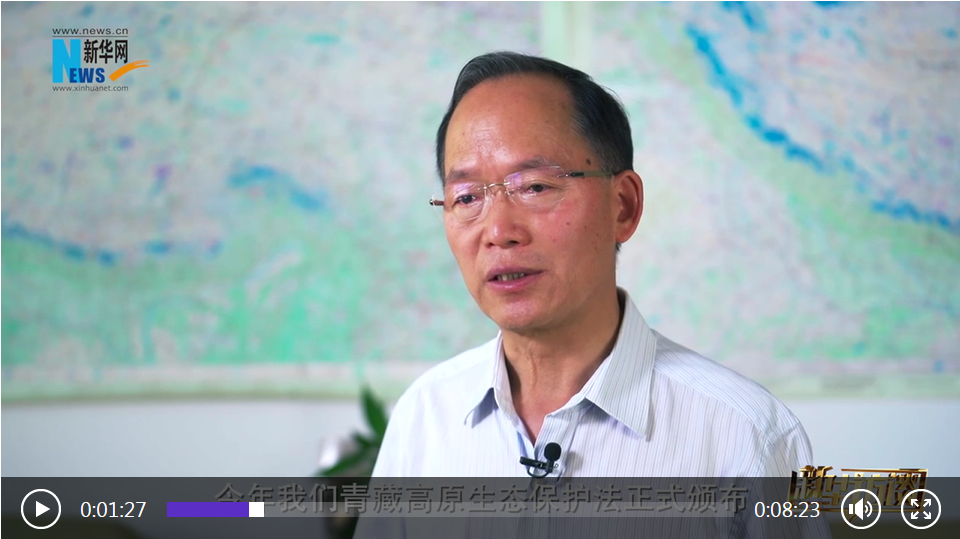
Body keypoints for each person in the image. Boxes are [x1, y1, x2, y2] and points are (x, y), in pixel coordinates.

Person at [371, 51, 814, 478]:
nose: (499, 231)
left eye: (535, 187)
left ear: (623, 205)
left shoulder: (748, 437)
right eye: (467, 197)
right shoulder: (424, 418)